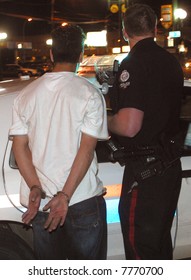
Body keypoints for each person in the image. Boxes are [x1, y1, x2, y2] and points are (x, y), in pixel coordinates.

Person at [9, 24, 109, 260]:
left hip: (41, 204)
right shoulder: (90, 94)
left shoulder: (26, 95)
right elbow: (86, 150)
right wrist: (64, 196)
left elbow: (19, 146)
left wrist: (35, 186)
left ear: (52, 54)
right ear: (81, 56)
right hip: (81, 201)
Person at [108, 4, 184, 260]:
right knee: (160, 249)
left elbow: (129, 126)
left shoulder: (134, 64)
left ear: (124, 31)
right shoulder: (172, 62)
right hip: (169, 167)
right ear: (155, 28)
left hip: (145, 174)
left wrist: (105, 121)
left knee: (141, 253)